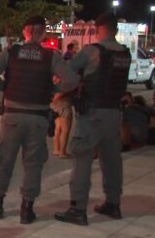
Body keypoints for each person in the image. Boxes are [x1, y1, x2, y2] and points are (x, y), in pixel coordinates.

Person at [0, 16, 79, 224]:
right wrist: (52, 89)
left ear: (25, 31)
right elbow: (72, 80)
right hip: (37, 118)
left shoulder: (12, 52)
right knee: (33, 164)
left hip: (12, 116)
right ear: (43, 33)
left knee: (3, 161)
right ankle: (27, 210)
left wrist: (6, 88)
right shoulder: (49, 56)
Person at [55, 12, 132, 226]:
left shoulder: (92, 52)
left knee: (82, 160)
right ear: (115, 29)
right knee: (112, 161)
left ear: (97, 29)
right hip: (114, 114)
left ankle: (78, 208)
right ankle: (113, 204)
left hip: (92, 114)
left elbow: (67, 71)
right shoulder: (125, 54)